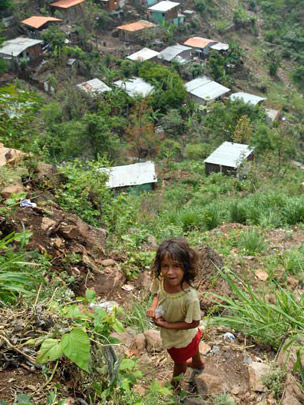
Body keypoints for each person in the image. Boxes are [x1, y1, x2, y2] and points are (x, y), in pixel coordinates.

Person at [146, 238, 204, 390]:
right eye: (165, 266)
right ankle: (198, 363)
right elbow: (156, 294)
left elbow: (194, 323)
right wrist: (153, 307)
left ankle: (175, 385)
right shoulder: (161, 279)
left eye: (176, 266)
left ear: (186, 267)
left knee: (180, 362)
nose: (170, 272)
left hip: (180, 335)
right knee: (194, 344)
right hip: (182, 333)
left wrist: (167, 325)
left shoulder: (189, 298)